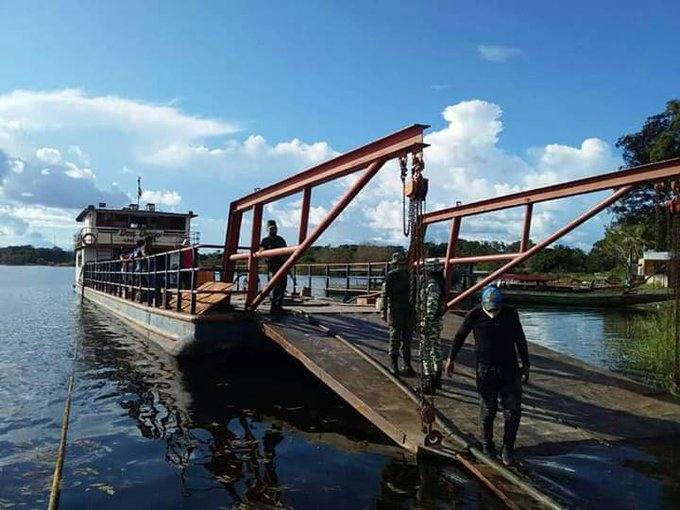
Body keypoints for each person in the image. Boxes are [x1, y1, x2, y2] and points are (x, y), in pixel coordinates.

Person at [444, 286, 530, 466]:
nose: (493, 311)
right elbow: (460, 336)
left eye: (496, 307)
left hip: (509, 369)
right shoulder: (474, 315)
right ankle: (487, 446)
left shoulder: (510, 314)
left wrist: (526, 364)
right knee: (488, 410)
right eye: (489, 306)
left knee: (512, 411)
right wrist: (451, 358)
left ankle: (508, 448)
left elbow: (520, 339)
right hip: (486, 370)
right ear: (483, 303)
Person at [380, 251, 415, 377]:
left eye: (403, 264)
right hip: (395, 310)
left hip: (409, 310)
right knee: (395, 337)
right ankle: (393, 363)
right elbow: (384, 295)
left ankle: (407, 364)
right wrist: (383, 310)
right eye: (399, 264)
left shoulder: (410, 276)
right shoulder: (391, 277)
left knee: (408, 338)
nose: (401, 266)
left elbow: (415, 294)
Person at [420, 258, 445, 394]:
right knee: (436, 349)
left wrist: (426, 321)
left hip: (431, 322)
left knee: (425, 351)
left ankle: (429, 382)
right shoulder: (440, 283)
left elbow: (431, 306)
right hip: (438, 321)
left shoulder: (432, 285)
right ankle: (437, 379)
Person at [259, 220, 287, 314]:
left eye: (274, 228)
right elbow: (261, 252)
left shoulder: (281, 240)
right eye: (271, 228)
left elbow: (286, 251)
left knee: (283, 286)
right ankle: (273, 307)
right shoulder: (265, 241)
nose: (273, 230)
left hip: (283, 265)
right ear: (267, 229)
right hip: (273, 266)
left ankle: (279, 306)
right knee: (275, 286)